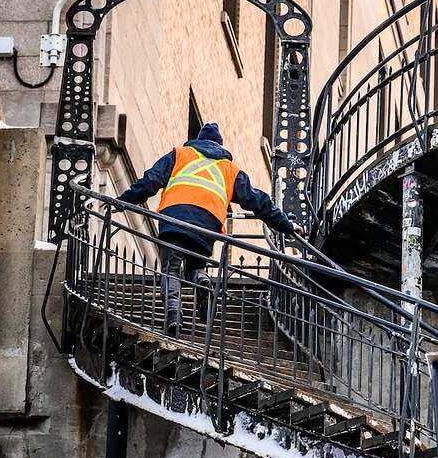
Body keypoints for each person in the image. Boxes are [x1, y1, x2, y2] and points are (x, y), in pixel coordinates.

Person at [117, 122, 303, 334]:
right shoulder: (230, 170)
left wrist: (124, 201)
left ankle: (173, 315)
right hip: (207, 225)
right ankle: (202, 280)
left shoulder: (180, 154)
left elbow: (151, 181)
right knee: (194, 267)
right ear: (219, 146)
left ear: (198, 141)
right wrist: (286, 225)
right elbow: (258, 201)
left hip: (175, 219)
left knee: (171, 268)